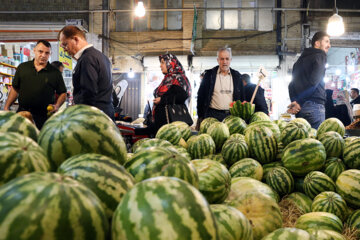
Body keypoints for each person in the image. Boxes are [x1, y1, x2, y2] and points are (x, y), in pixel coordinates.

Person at [4, 40, 67, 129]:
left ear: (50, 54)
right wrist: (7, 107)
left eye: (47, 53)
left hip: (44, 117)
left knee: (41, 141)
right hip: (23, 114)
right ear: (34, 51)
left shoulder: (55, 72)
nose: (43, 55)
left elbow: (63, 93)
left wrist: (57, 106)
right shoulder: (23, 67)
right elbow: (15, 89)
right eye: (40, 51)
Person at [58, 25, 114, 119]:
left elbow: (88, 94)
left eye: (65, 44)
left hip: (93, 119)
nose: (64, 49)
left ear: (75, 39)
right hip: (105, 116)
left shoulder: (87, 59)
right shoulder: (101, 56)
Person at [288, 31, 331, 129]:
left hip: (300, 110)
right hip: (314, 106)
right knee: (315, 142)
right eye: (327, 42)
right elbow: (314, 82)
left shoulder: (298, 62)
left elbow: (291, 85)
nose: (329, 45)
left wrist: (295, 101)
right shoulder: (320, 55)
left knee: (304, 141)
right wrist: (298, 102)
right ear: (317, 43)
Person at [197, 47, 245, 123]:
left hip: (232, 115)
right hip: (212, 115)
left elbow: (242, 97)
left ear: (230, 60)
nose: (224, 62)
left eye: (227, 59)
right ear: (218, 60)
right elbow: (201, 96)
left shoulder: (237, 76)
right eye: (222, 59)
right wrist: (200, 116)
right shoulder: (209, 75)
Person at [152, 53, 191, 131]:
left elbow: (182, 97)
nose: (160, 65)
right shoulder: (167, 79)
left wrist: (162, 100)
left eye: (163, 62)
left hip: (172, 126)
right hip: (162, 123)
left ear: (170, 63)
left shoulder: (179, 78)